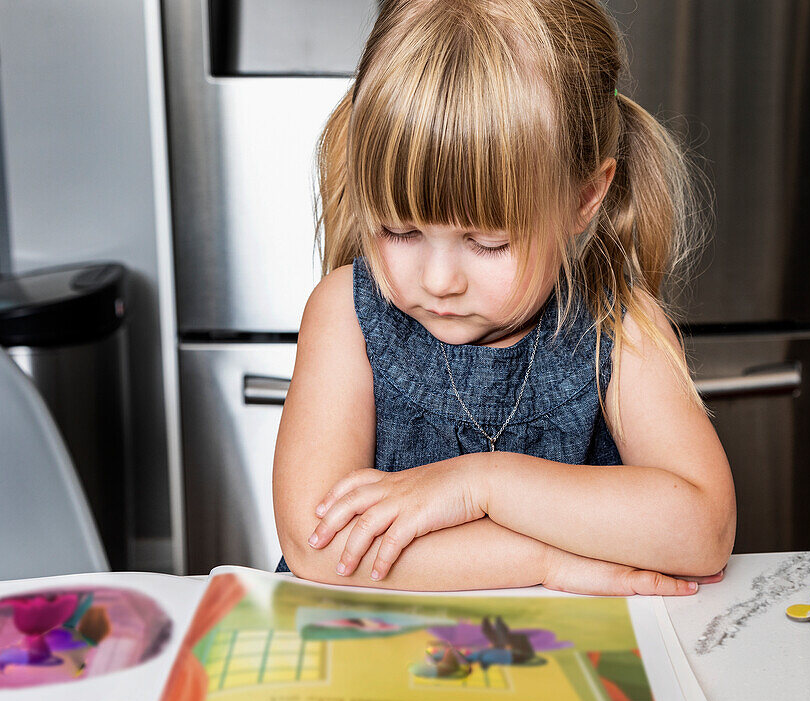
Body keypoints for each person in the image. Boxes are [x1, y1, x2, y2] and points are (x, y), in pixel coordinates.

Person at [272, 0, 735, 596]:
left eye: (488, 241)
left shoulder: (619, 322)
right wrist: (544, 564)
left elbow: (704, 531)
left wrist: (482, 484)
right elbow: (321, 547)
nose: (439, 280)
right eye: (400, 231)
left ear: (582, 202)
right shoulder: (344, 314)